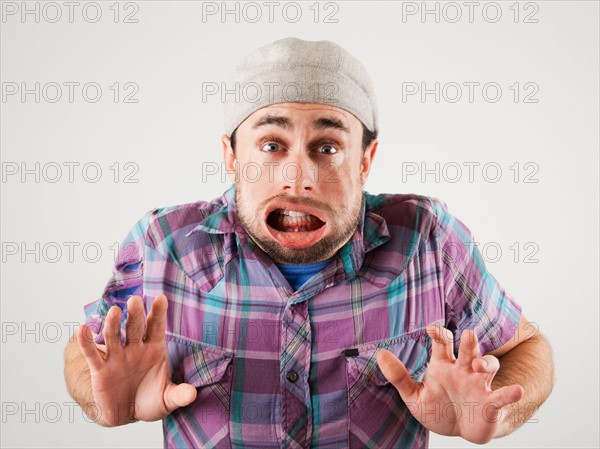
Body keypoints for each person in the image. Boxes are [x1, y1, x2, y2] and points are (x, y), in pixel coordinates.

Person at [64, 37, 554, 449]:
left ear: (365, 160)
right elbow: (89, 353)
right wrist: (100, 399)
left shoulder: (428, 239)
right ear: (232, 156)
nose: (298, 178)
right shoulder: (163, 245)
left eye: (327, 147)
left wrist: (496, 410)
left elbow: (526, 346)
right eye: (272, 145)